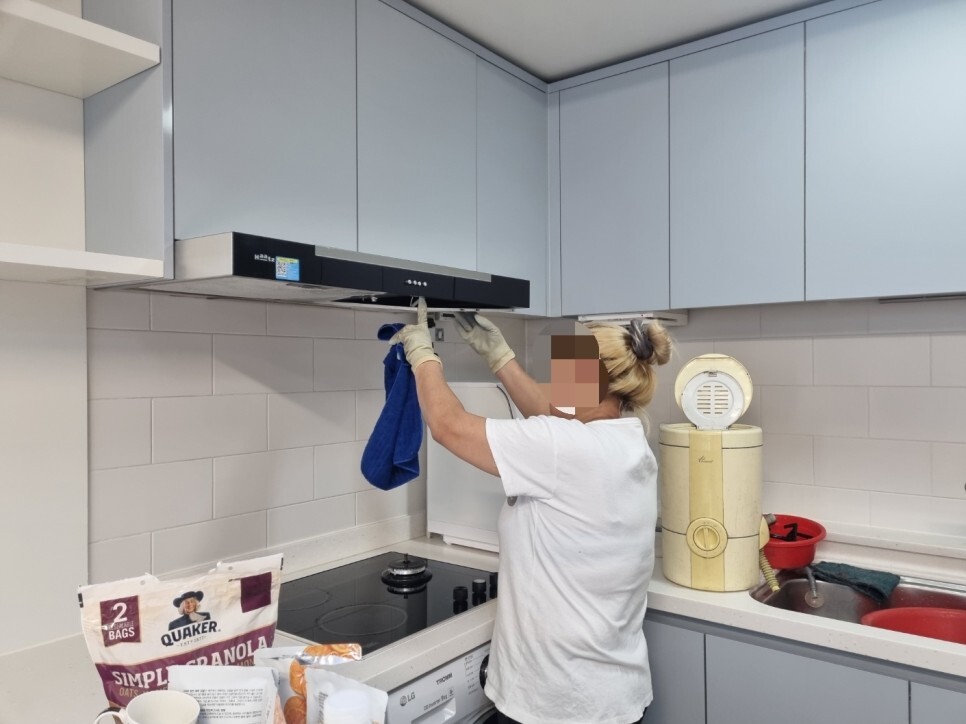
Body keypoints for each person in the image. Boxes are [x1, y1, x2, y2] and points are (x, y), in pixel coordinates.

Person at [392, 299, 672, 724]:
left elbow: (448, 426)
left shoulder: (565, 449)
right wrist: (499, 357)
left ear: (594, 380)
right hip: (615, 695)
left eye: (571, 368)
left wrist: (421, 353)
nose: (557, 378)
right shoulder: (627, 442)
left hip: (556, 703)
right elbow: (552, 416)